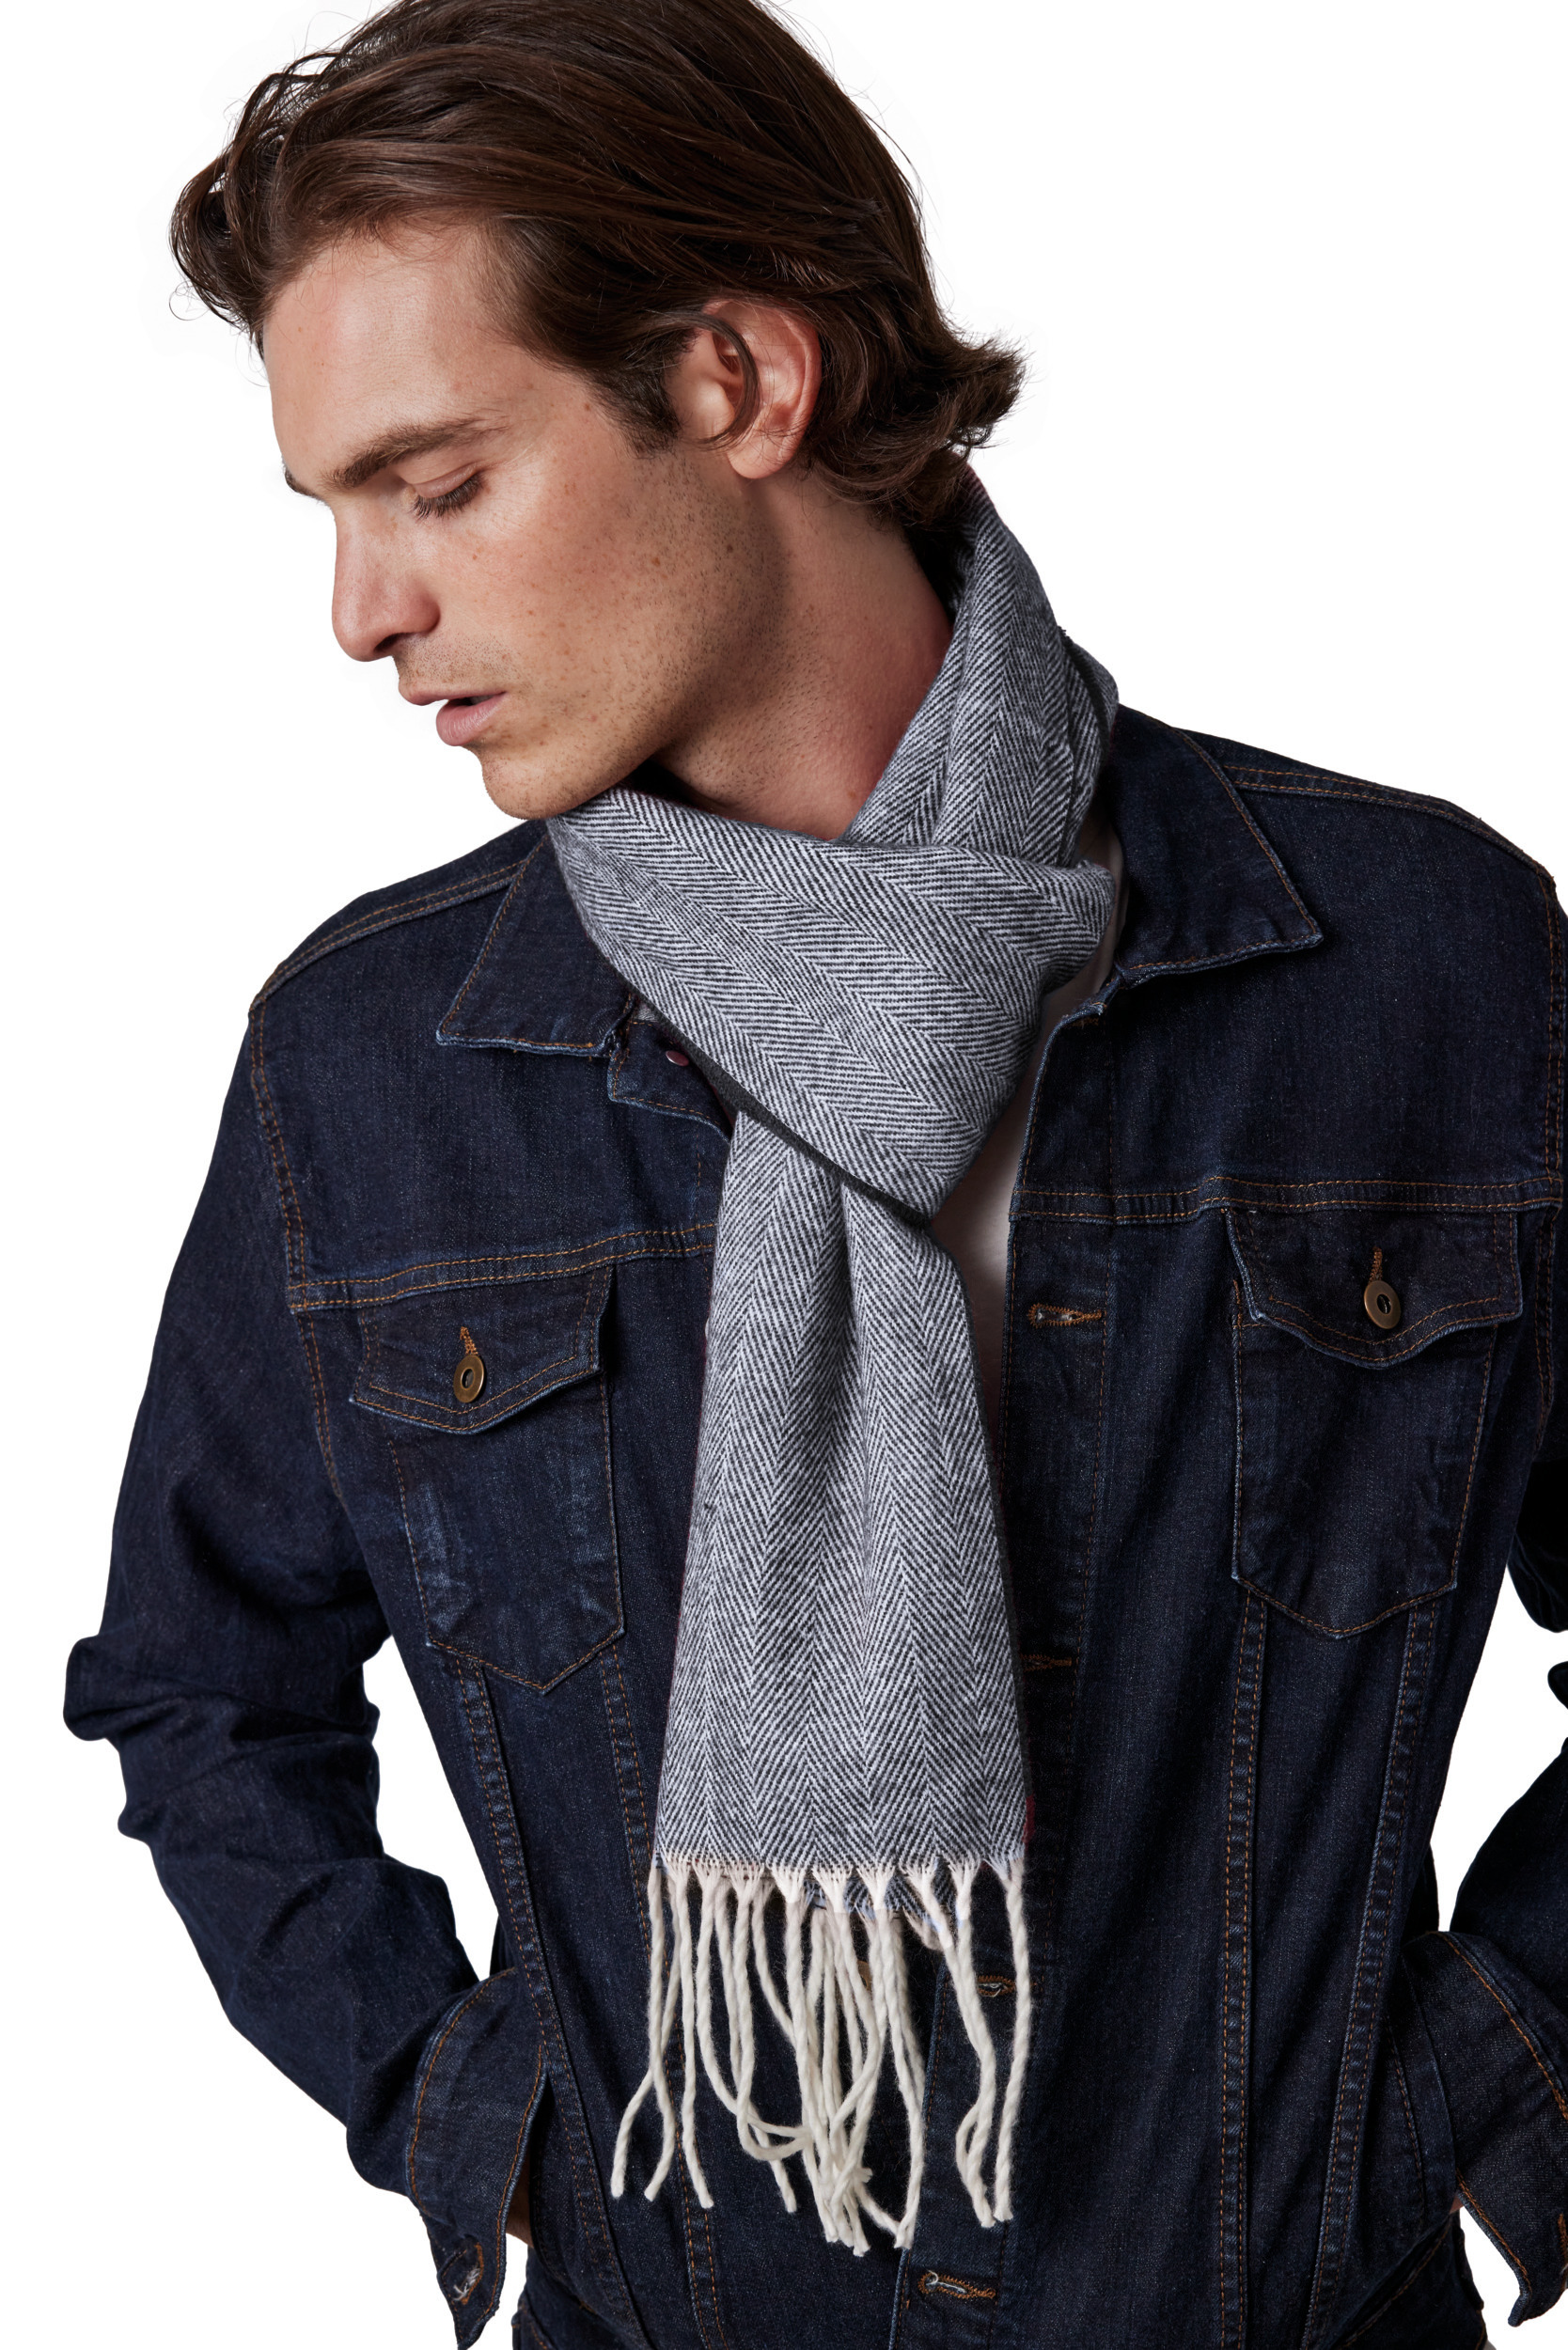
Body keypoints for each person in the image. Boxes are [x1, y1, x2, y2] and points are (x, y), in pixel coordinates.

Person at [66, 3, 1567, 2344]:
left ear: (741, 381)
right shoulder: (370, 1067)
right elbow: (199, 1685)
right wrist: (491, 2123)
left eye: (438, 485)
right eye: (334, 513)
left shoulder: (1417, 968)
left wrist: (1477, 2104)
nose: (362, 612)